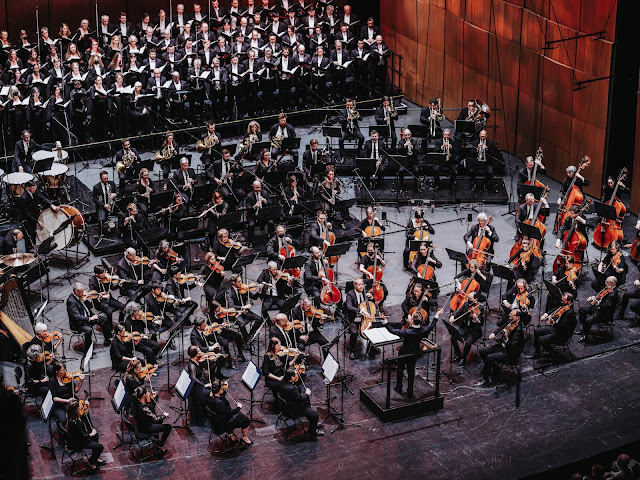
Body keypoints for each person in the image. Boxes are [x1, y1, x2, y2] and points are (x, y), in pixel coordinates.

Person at [387, 309, 440, 397]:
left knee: (400, 369)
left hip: (404, 352)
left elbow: (392, 330)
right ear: (421, 322)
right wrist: (437, 315)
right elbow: (431, 325)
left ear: (412, 321)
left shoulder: (406, 331)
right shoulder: (423, 330)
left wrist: (385, 322)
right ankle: (410, 391)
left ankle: (399, 387)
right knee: (411, 371)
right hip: (414, 352)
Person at [475, 310, 525, 386]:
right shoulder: (511, 321)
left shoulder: (518, 330)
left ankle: (485, 379)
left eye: (512, 316)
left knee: (489, 357)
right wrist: (494, 333)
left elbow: (513, 345)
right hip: (502, 347)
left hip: (510, 353)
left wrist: (506, 338)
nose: (509, 318)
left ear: (517, 318)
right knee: (482, 351)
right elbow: (502, 327)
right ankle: (495, 369)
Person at [279, 368, 323, 440]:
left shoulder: (284, 381)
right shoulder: (291, 389)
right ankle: (312, 433)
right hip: (295, 410)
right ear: (292, 377)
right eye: (296, 375)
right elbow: (301, 399)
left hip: (289, 404)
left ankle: (313, 424)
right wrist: (307, 394)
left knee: (309, 409)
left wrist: (302, 374)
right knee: (315, 415)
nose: (297, 375)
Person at [530, 292, 577, 360]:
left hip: (561, 334)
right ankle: (537, 353)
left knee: (540, 339)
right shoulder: (563, 305)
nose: (561, 301)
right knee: (537, 331)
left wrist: (554, 322)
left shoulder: (570, 313)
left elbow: (563, 327)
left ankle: (554, 352)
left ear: (569, 301)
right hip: (555, 328)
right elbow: (555, 308)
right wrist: (547, 314)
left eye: (563, 300)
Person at [67, 282, 112, 349]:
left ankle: (107, 340)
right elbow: (77, 316)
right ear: (76, 291)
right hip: (78, 323)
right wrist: (90, 319)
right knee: (88, 330)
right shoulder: (71, 301)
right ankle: (88, 349)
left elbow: (90, 306)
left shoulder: (81, 296)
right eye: (81, 292)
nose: (83, 293)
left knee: (104, 319)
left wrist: (96, 299)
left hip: (88, 316)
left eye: (83, 291)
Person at [207, 378, 252, 446]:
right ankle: (245, 437)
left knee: (236, 415)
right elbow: (230, 413)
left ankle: (230, 433)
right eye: (224, 387)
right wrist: (238, 407)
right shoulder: (220, 403)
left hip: (214, 422)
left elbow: (223, 393)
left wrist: (225, 385)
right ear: (220, 389)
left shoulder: (211, 396)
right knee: (244, 419)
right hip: (221, 426)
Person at [66, 398, 105, 472]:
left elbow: (83, 415)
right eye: (78, 407)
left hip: (78, 437)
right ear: (75, 410)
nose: (80, 407)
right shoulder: (76, 423)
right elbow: (83, 437)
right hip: (78, 442)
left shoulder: (72, 417)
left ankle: (95, 458)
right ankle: (91, 463)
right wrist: (91, 434)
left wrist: (87, 408)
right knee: (100, 447)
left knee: (96, 435)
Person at [132, 386, 171, 455]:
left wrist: (152, 399)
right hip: (146, 427)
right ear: (144, 395)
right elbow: (156, 418)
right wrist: (165, 415)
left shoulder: (137, 403)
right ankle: (160, 446)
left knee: (159, 422)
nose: (149, 393)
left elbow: (151, 409)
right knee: (168, 427)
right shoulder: (144, 408)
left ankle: (155, 439)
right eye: (147, 392)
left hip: (140, 424)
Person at [19, 180, 58, 251]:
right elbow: (27, 214)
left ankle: (34, 248)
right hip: (27, 220)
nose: (35, 189)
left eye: (35, 187)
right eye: (33, 188)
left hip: (35, 214)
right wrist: (37, 221)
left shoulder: (35, 191)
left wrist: (51, 204)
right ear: (28, 188)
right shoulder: (23, 198)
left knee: (34, 232)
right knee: (29, 236)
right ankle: (29, 252)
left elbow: (42, 198)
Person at [578, 276, 618, 343]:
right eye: (606, 282)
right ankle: (584, 329)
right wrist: (593, 297)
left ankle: (585, 336)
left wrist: (597, 303)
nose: (605, 283)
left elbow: (606, 305)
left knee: (588, 321)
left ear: (613, 284)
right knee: (582, 309)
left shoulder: (613, 294)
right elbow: (600, 293)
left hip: (605, 313)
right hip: (598, 307)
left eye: (607, 282)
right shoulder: (607, 288)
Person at [449, 292, 484, 366]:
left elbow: (481, 323)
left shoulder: (480, 307)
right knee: (453, 337)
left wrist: (476, 318)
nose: (468, 299)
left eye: (470, 298)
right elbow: (458, 312)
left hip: (474, 331)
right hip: (465, 327)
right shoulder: (465, 305)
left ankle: (463, 358)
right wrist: (453, 316)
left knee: (467, 343)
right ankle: (458, 354)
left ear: (475, 299)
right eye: (468, 297)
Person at [256, 261, 294, 326]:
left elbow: (287, 290)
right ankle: (270, 323)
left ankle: (281, 321)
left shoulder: (280, 275)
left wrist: (289, 283)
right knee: (263, 310)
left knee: (287, 307)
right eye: (273, 270)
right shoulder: (265, 272)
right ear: (269, 269)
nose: (275, 271)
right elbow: (259, 279)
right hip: (269, 297)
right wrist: (267, 284)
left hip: (279, 297)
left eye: (276, 269)